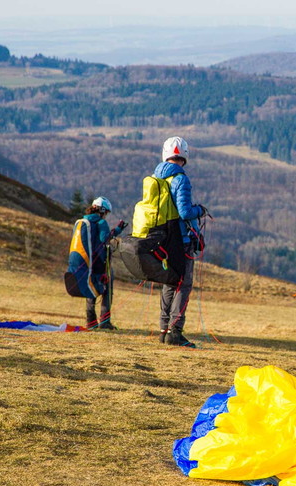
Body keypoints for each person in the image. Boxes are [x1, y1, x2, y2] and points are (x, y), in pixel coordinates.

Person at [131, 136, 207, 348]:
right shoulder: (181, 179)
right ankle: (176, 332)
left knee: (169, 281)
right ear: (184, 156)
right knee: (184, 283)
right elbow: (185, 212)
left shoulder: (156, 176)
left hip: (161, 238)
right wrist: (200, 210)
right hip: (180, 239)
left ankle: (164, 329)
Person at [83, 196, 125, 330]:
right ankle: (105, 322)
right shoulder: (101, 223)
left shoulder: (84, 221)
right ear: (102, 210)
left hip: (87, 262)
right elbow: (105, 240)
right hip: (100, 263)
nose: (106, 215)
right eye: (106, 212)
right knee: (107, 291)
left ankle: (90, 321)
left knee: (91, 290)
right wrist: (117, 231)